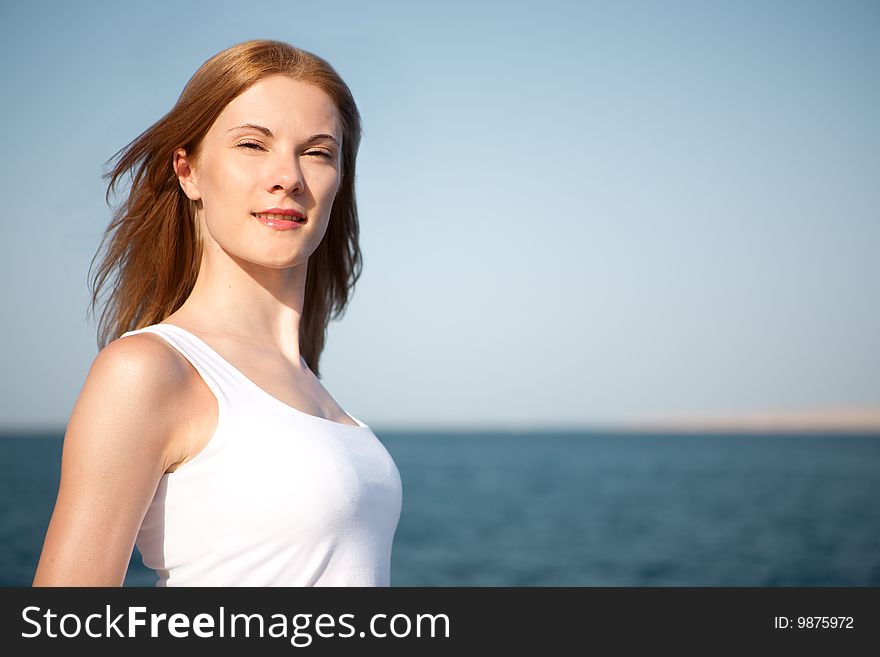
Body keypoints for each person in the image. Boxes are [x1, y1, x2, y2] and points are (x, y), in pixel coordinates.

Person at [33, 39, 402, 586]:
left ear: (340, 179)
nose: (289, 177)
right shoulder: (148, 370)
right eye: (253, 144)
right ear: (189, 171)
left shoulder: (310, 385)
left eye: (318, 152)